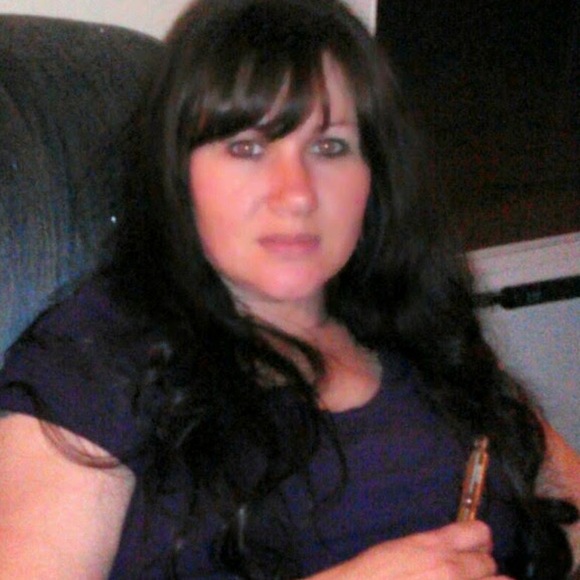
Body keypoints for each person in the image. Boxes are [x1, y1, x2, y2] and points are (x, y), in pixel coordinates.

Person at [0, 0, 578, 578]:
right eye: (246, 148)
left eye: (330, 148)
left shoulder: (425, 334)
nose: (296, 193)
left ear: (373, 177)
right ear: (176, 173)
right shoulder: (92, 361)